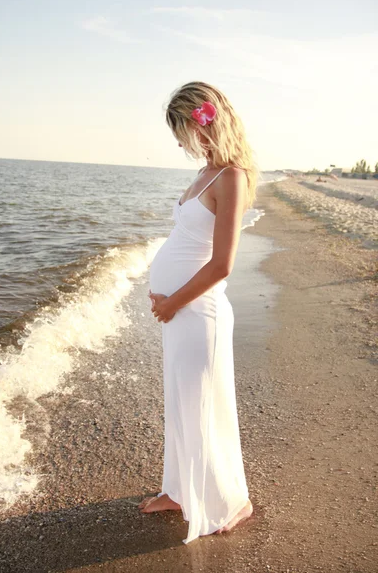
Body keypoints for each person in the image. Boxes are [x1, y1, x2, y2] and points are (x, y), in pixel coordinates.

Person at [139, 81, 258, 544]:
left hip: (198, 312)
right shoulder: (205, 172)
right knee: (182, 407)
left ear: (203, 120)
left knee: (204, 409)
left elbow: (223, 263)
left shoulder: (231, 176)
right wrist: (167, 301)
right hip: (179, 312)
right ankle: (180, 490)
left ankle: (232, 501)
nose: (180, 143)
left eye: (181, 131)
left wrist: (172, 301)